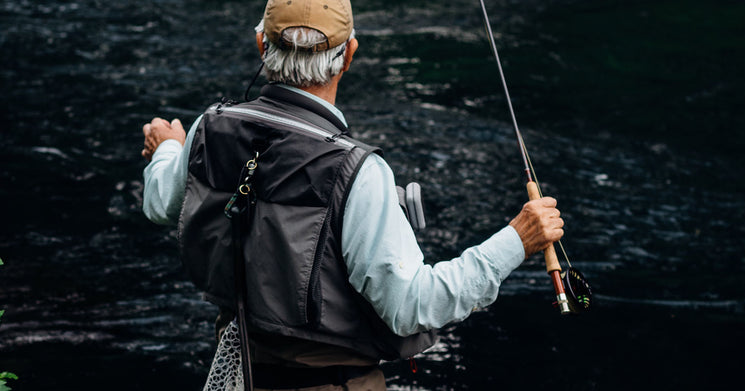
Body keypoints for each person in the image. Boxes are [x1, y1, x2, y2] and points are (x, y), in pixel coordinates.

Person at [140, 0, 564, 389]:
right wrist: (516, 240)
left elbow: (161, 204)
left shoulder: (207, 129)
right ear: (349, 55)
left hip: (241, 376)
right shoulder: (358, 172)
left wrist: (167, 150)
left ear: (260, 44)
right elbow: (412, 306)